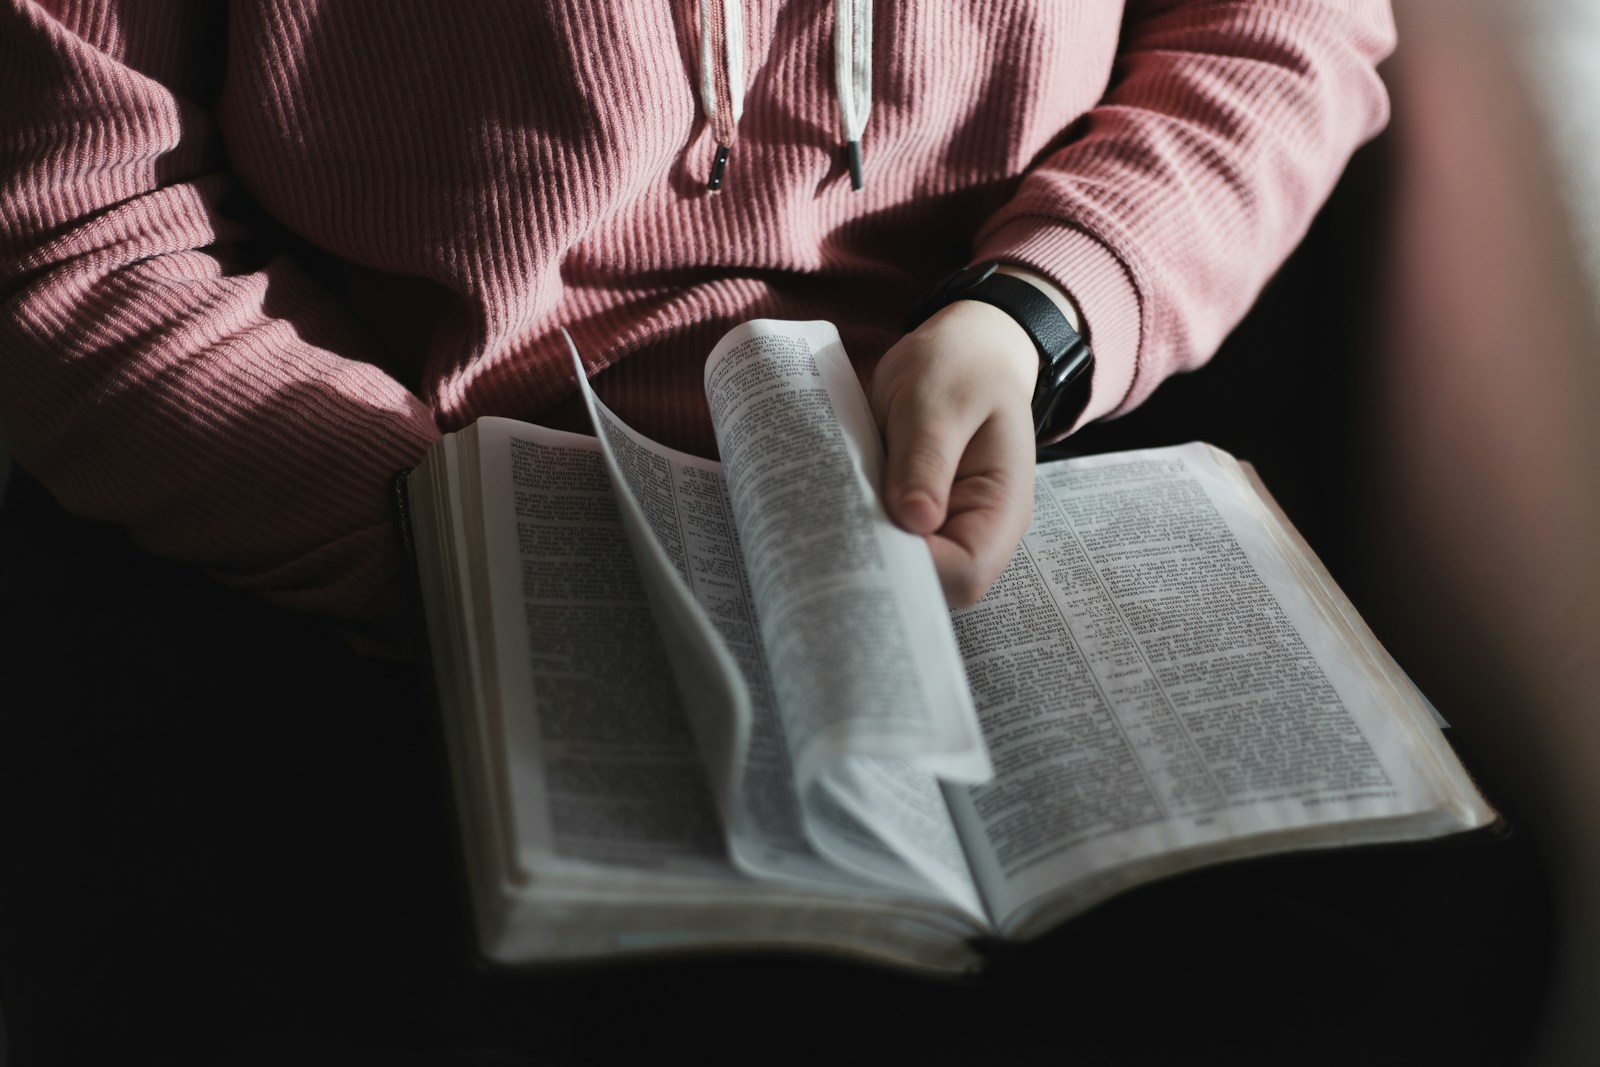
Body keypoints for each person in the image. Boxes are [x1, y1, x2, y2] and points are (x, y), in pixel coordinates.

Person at [6, 2, 1548, 1063]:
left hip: (992, 454)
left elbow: (1281, 29)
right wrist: (446, 548)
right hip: (375, 511)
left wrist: (1044, 315)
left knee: (1406, 946)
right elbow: (76, 227)